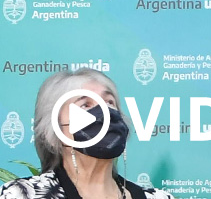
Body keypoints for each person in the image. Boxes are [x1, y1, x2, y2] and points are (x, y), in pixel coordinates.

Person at [0, 68, 175, 199]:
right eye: (85, 105)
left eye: (109, 102)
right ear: (56, 130)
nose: (105, 112)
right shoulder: (22, 194)